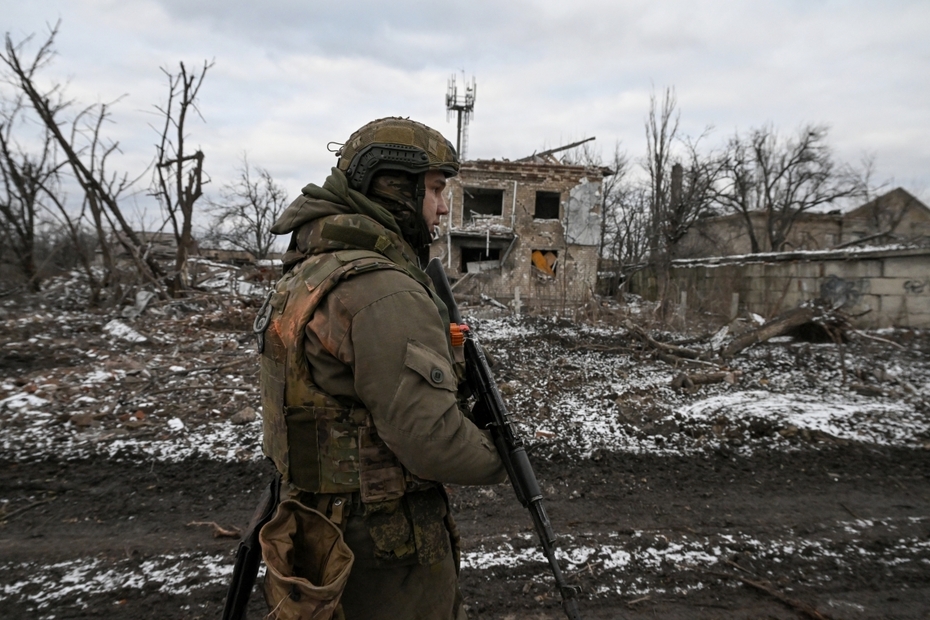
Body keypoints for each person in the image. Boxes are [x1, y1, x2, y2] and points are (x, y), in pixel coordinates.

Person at [256, 117, 506, 620]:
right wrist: (503, 457)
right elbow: (430, 440)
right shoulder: (383, 290)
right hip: (381, 548)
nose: (442, 206)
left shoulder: (309, 272)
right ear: (392, 185)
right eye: (435, 189)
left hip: (314, 524)